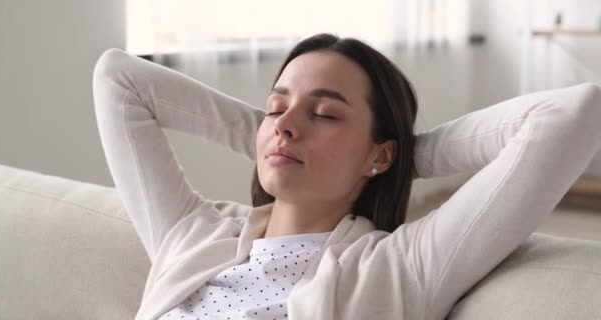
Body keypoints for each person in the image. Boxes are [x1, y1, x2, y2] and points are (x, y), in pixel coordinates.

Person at [92, 33, 601, 320]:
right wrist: (270, 134)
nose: (287, 123)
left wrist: (405, 158)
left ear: (379, 156)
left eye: (326, 114)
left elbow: (572, 114)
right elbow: (119, 79)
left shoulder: (398, 269)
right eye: (276, 106)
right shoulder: (191, 238)